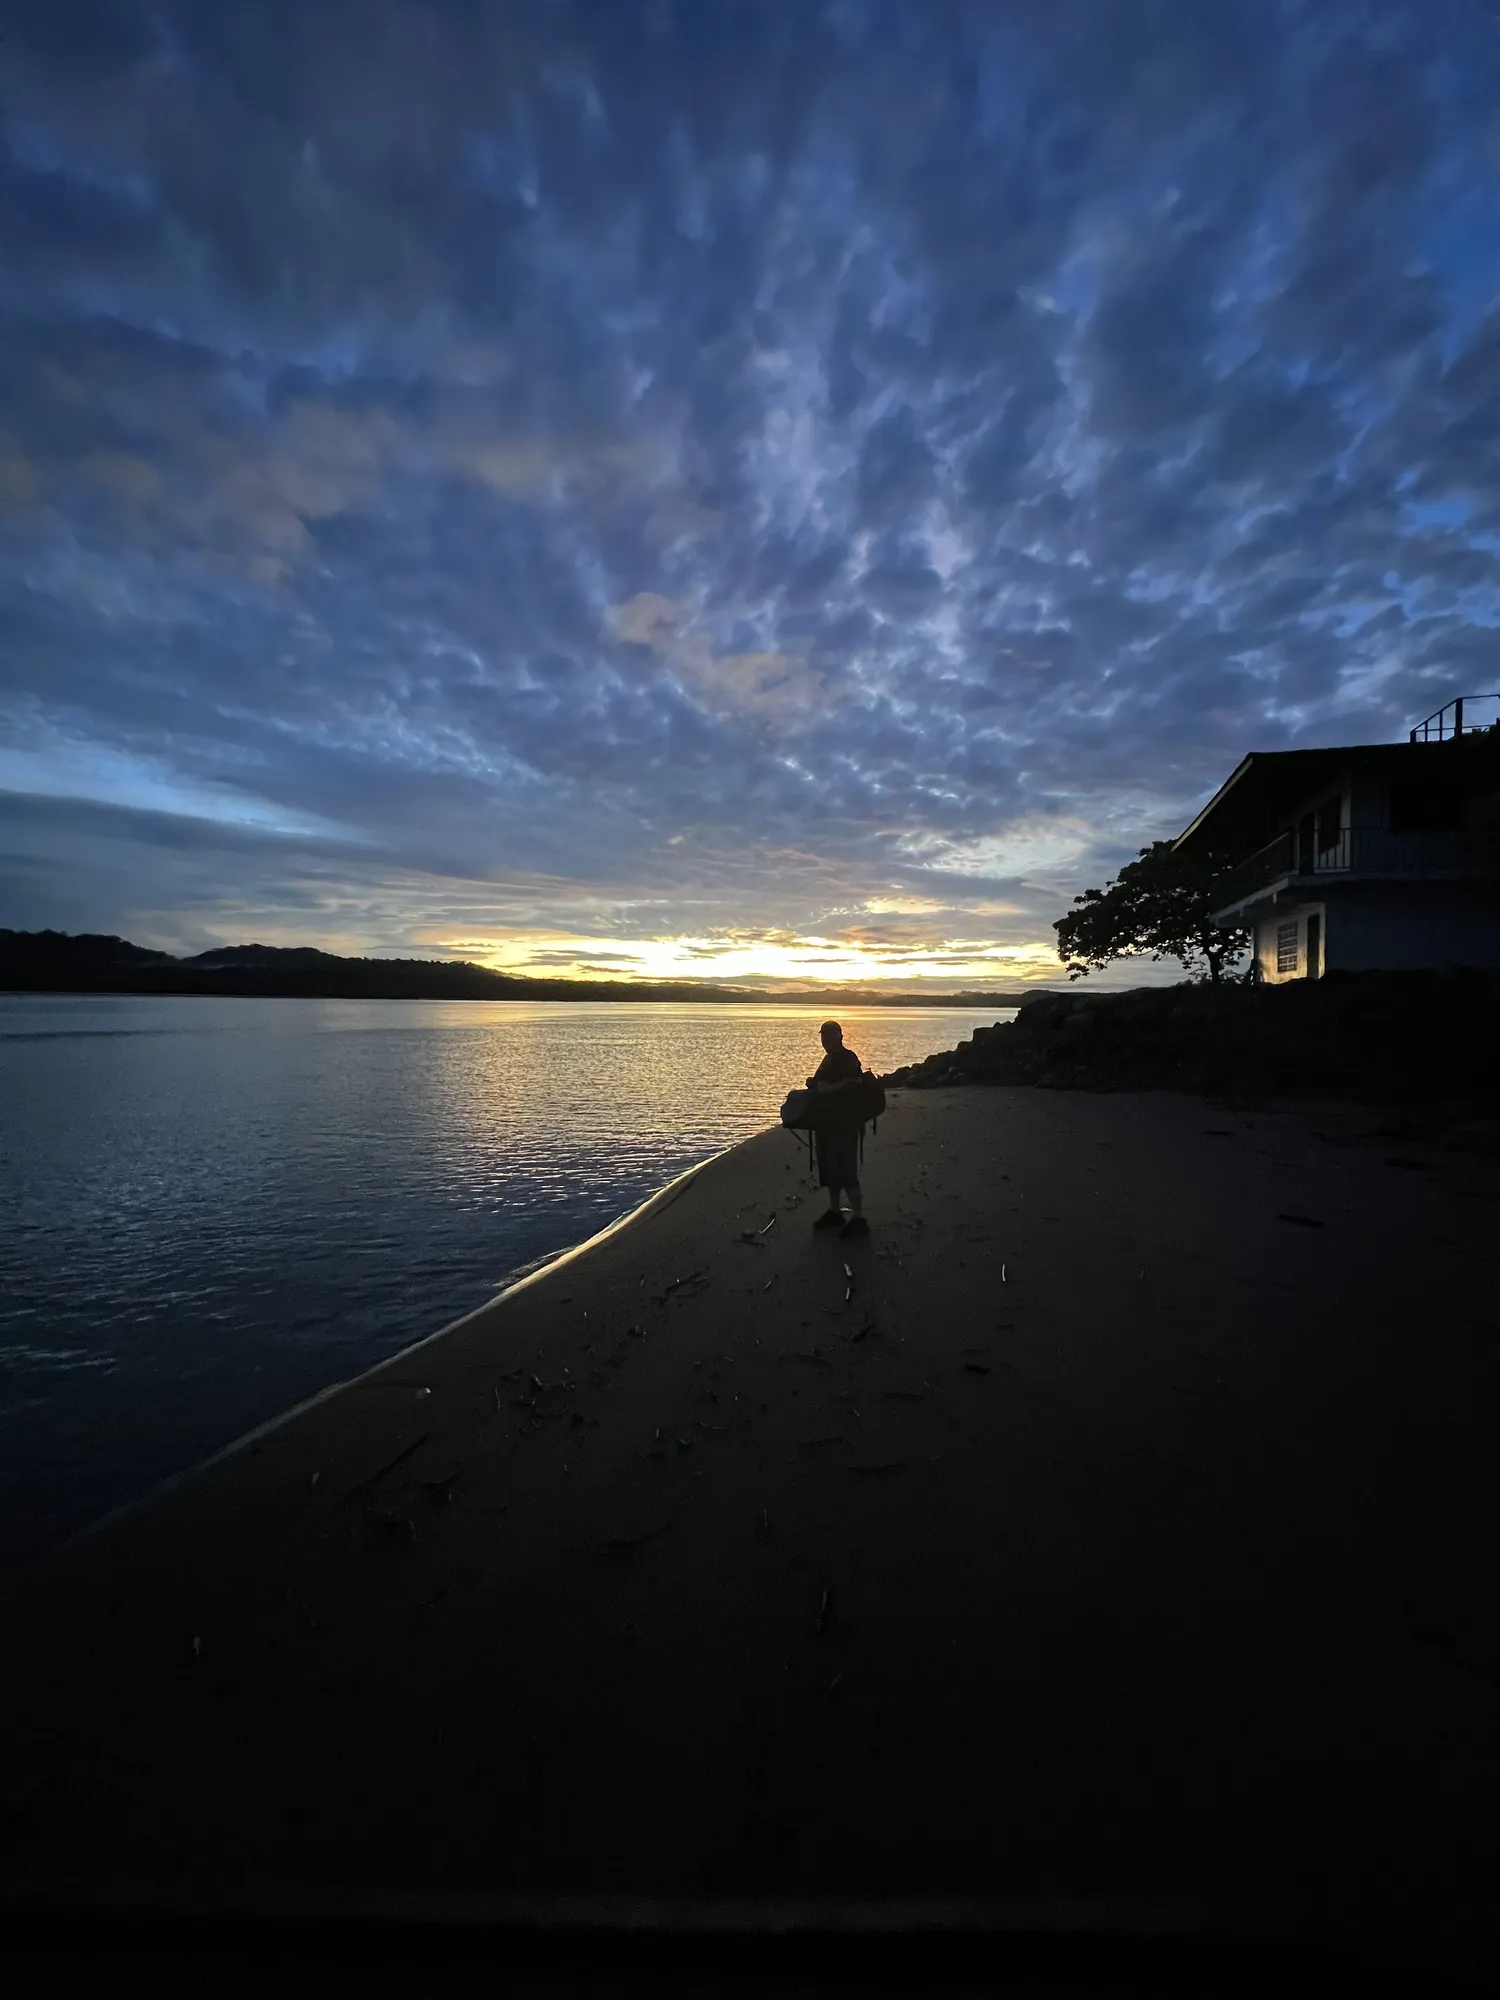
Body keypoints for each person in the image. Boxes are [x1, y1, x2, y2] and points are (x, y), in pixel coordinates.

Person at [806, 1020, 869, 1238]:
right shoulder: (829, 1059)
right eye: (823, 1037)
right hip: (827, 1125)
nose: (825, 1041)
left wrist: (830, 1087)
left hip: (845, 1125)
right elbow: (820, 1084)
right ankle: (835, 1211)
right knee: (830, 1170)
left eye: (829, 1037)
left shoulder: (847, 1058)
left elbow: (850, 1085)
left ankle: (859, 1217)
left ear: (839, 1037)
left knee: (847, 1171)